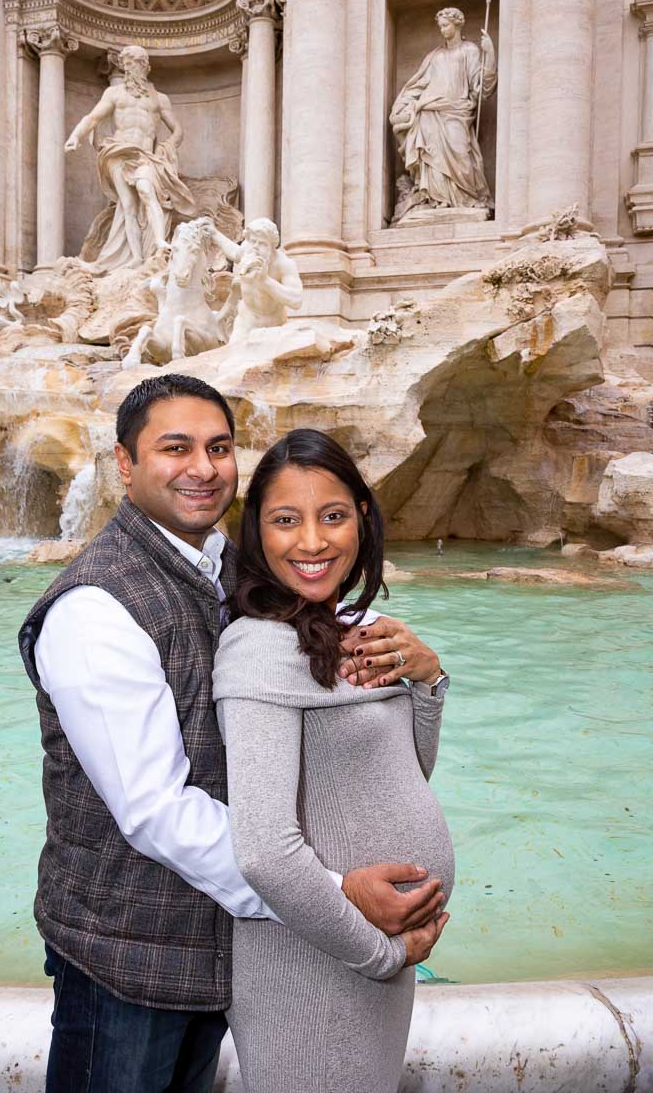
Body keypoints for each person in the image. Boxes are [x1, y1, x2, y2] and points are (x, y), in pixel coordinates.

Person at [18, 374, 447, 1093]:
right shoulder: (95, 609)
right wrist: (338, 895)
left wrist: (424, 677)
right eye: (175, 448)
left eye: (219, 447)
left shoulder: (232, 573)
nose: (203, 467)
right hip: (128, 960)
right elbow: (156, 811)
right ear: (124, 464)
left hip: (229, 948)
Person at [213, 428, 454, 1093]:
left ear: (364, 519)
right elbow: (262, 849)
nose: (313, 543)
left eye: (334, 516)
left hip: (367, 953)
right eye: (286, 521)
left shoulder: (344, 627)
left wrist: (428, 683)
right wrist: (380, 956)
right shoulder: (259, 647)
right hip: (314, 967)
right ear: (256, 533)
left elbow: (403, 774)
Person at [64, 45, 195, 270]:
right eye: (127, 64)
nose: (130, 67)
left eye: (134, 63)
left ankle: (159, 242)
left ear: (145, 66)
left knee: (146, 190)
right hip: (118, 152)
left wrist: (168, 147)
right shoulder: (114, 93)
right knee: (127, 206)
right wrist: (75, 136)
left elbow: (178, 130)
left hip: (145, 156)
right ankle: (136, 257)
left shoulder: (159, 98)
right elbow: (93, 118)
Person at [390, 6, 496, 221]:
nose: (442, 30)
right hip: (429, 112)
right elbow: (417, 85)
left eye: (446, 25)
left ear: (457, 25)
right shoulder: (434, 56)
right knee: (432, 157)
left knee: (461, 153)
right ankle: (436, 200)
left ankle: (465, 197)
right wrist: (405, 106)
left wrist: (490, 54)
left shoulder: (469, 50)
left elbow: (481, 87)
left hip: (457, 111)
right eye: (440, 26)